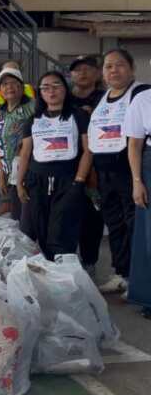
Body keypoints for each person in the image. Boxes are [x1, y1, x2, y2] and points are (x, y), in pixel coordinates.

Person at [89, 49, 150, 293]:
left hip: (130, 170)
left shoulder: (141, 94)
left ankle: (139, 279)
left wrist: (137, 178)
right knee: (115, 224)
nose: (114, 70)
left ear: (132, 68)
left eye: (120, 65)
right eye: (108, 66)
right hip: (105, 172)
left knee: (135, 225)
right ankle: (121, 273)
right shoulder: (102, 98)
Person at [16, 70, 91, 260]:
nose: (51, 91)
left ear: (65, 89)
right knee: (41, 230)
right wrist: (19, 183)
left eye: (56, 85)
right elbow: (25, 153)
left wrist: (79, 181)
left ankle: (66, 271)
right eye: (46, 87)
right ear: (39, 93)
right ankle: (51, 276)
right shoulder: (32, 120)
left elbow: (88, 150)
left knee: (62, 231)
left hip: (68, 180)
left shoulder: (78, 115)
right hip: (37, 181)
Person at [68, 55, 107, 277]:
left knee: (92, 215)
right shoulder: (64, 99)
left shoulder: (106, 98)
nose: (82, 73)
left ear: (97, 73)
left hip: (97, 166)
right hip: (67, 164)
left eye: (88, 68)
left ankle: (90, 260)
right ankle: (67, 260)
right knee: (67, 213)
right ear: (71, 74)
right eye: (77, 69)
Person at [0, 67, 36, 223]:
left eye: (13, 83)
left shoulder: (32, 107)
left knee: (28, 220)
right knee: (16, 219)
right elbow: (1, 145)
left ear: (22, 87)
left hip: (30, 172)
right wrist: (1, 175)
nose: (9, 87)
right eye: (4, 84)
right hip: (11, 174)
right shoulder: (1, 112)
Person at [125, 70, 151, 317]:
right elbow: (134, 144)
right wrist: (137, 181)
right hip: (149, 166)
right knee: (149, 236)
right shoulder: (143, 99)